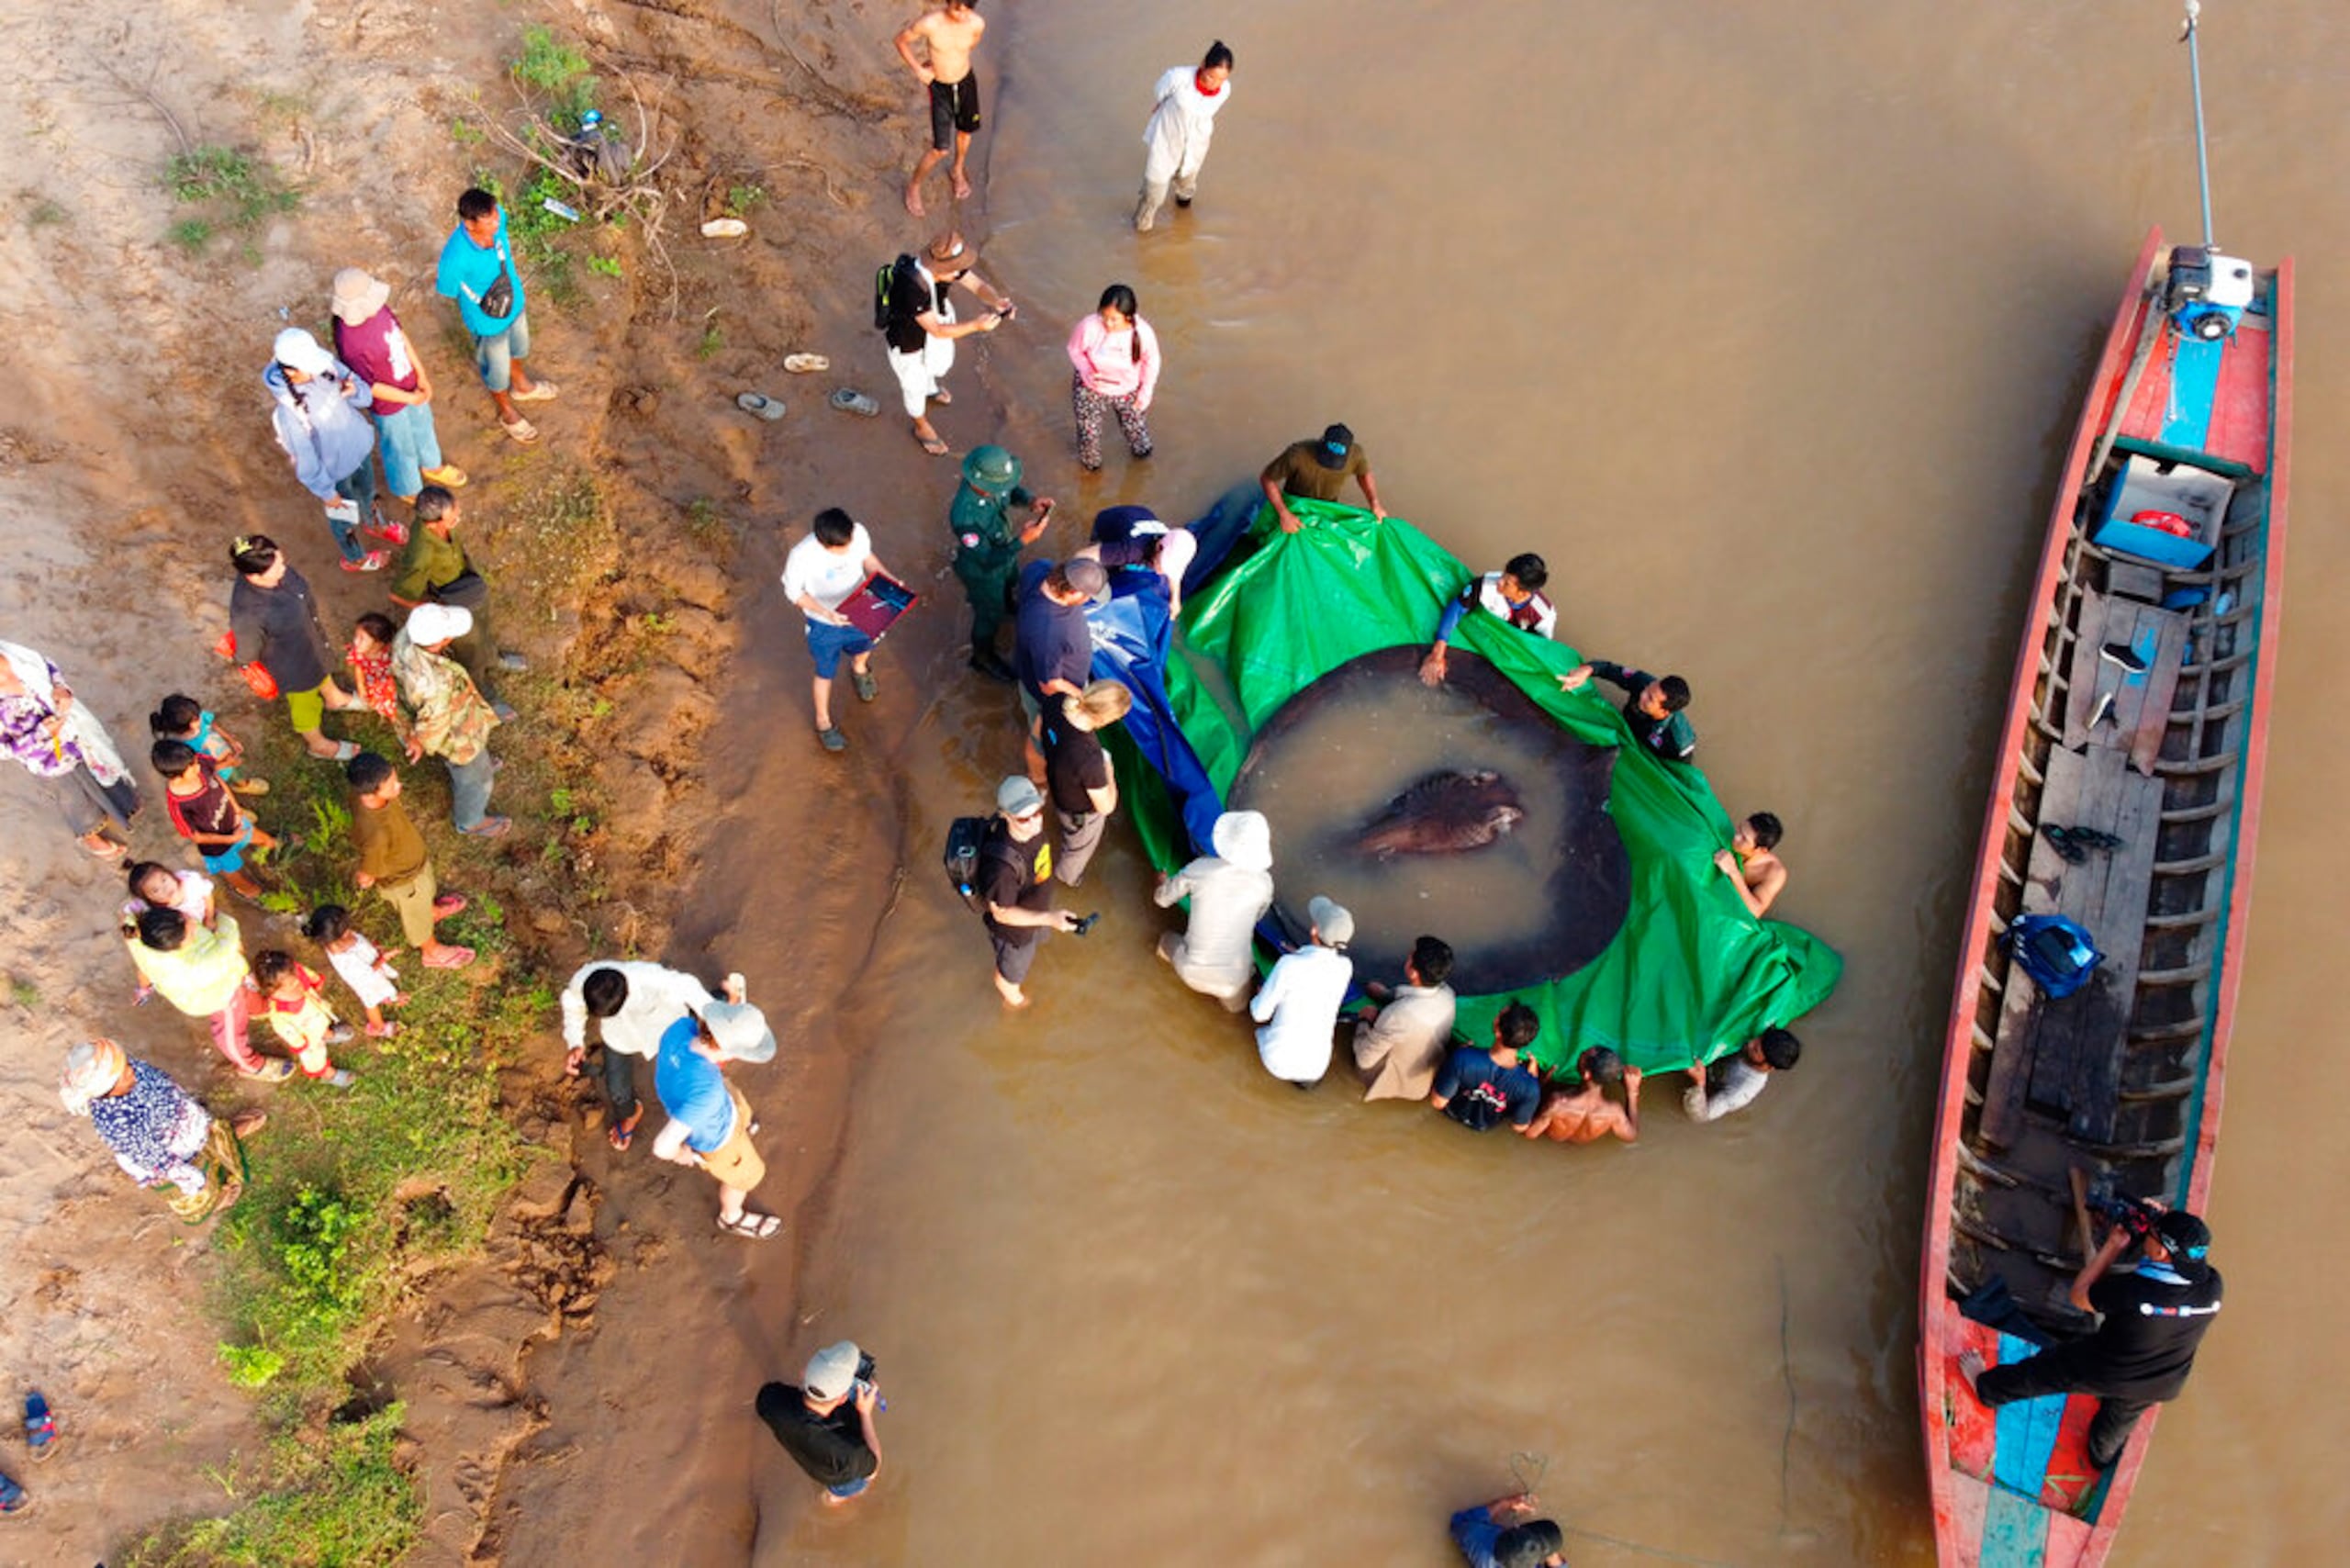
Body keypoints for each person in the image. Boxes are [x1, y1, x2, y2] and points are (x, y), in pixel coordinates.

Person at [1958, 1207, 2223, 1470]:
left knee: (2047, 1370)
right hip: (2163, 1381)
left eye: (2152, 1234)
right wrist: (2163, 1221)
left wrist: (2113, 1246)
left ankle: (1987, 1389)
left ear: (2162, 1251)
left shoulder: (2132, 1291)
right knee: (2116, 1424)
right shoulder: (2213, 1288)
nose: (2148, 1237)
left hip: (2108, 1369)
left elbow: (2080, 1296)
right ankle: (2100, 1457)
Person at [60, 1038, 267, 1223]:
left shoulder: (127, 1071)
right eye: (122, 1071)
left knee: (208, 1136)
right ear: (106, 1089)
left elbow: (161, 1082)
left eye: (124, 1062)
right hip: (173, 1150)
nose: (130, 1068)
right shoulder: (119, 1124)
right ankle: (216, 1198)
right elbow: (158, 1160)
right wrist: (191, 1179)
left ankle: (224, 1138)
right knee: (200, 1181)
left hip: (179, 1118)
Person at [329, 266, 467, 502]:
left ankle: (431, 466)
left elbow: (401, 338)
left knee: (424, 425)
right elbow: (370, 386)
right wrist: (409, 398)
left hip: (410, 383)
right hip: (387, 404)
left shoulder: (380, 310)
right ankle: (408, 488)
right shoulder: (350, 341)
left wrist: (421, 376)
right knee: (399, 445)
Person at [264, 327, 393, 572]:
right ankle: (355, 557)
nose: (316, 371)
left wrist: (353, 392)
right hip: (334, 474)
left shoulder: (326, 366)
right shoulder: (288, 414)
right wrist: (327, 492)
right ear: (290, 372)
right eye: (308, 368)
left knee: (368, 491)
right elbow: (306, 458)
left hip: (359, 449)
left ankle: (374, 522)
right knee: (342, 517)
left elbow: (364, 396)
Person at [435, 187, 558, 442]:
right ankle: (507, 411)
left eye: (495, 214)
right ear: (469, 224)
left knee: (519, 348)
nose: (496, 222)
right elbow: (448, 290)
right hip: (487, 321)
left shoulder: (498, 216)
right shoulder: (454, 257)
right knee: (497, 369)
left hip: (514, 304)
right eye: (488, 220)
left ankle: (522, 386)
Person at [389, 487, 525, 714]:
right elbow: (399, 594)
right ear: (433, 523)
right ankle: (483, 689)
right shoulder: (421, 555)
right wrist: (430, 608)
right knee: (470, 649)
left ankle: (493, 657)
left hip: (467, 582)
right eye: (453, 516)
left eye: (457, 510)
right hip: (451, 597)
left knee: (482, 625)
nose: (458, 517)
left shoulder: (440, 527)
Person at [0, 640, 140, 860]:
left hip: (78, 733)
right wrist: (41, 735)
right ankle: (90, 837)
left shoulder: (9, 652)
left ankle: (121, 804)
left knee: (99, 770)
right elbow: (4, 750)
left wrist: (61, 688)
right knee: (73, 797)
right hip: (47, 759)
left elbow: (46, 664)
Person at [651, 1005, 781, 1238]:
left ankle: (743, 1127)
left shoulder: (680, 1028)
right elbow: (661, 1147)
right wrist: (680, 1153)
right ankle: (731, 1217)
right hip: (717, 1138)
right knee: (747, 1175)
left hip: (702, 1102)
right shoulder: (706, 1093)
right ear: (730, 1053)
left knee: (738, 1106)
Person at [560, 960, 719, 1151]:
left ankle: (724, 1005)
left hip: (669, 1031)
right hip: (619, 1039)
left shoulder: (649, 977)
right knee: (617, 1090)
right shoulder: (582, 981)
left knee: (689, 1077)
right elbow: (572, 1006)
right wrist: (575, 1042)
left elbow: (686, 985)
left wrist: (714, 1022)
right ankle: (631, 1113)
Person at [122, 905, 292, 1081]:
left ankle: (257, 1008)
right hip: (217, 997)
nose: (194, 924)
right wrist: (219, 918)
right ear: (179, 946)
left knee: (242, 992)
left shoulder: (138, 936)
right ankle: (251, 1065)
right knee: (230, 1031)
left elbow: (128, 922)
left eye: (186, 917)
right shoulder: (199, 965)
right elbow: (229, 935)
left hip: (220, 982)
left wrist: (144, 989)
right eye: (190, 929)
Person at [229, 534, 362, 761]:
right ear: (254, 577)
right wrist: (244, 663)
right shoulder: (248, 612)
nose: (283, 568)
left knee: (319, 664)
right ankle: (317, 744)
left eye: (281, 560)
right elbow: (247, 651)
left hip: (309, 642)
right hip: (292, 665)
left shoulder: (277, 573)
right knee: (305, 703)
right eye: (277, 567)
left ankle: (334, 697)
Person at [878, 236, 1009, 457]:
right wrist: (977, 325)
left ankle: (931, 388)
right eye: (955, 271)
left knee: (935, 365)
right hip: (908, 343)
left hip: (932, 322)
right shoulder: (912, 286)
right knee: (913, 385)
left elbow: (977, 286)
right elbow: (936, 330)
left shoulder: (945, 266)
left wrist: (997, 301)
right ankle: (921, 426)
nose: (958, 274)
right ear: (939, 268)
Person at [345, 750, 475, 969]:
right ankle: (431, 951)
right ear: (372, 792)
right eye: (392, 784)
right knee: (415, 916)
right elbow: (369, 870)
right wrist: (366, 876)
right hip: (404, 881)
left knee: (426, 891)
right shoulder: (376, 834)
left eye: (395, 778)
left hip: (415, 864)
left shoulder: (370, 797)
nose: (399, 785)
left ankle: (430, 912)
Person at [781, 507, 896, 753]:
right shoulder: (801, 556)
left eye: (849, 542)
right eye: (840, 549)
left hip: (861, 608)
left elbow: (869, 559)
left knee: (868, 643)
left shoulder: (858, 533)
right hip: (824, 623)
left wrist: (888, 579)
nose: (847, 550)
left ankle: (859, 669)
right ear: (823, 543)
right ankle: (823, 721)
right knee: (824, 671)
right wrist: (826, 613)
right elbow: (795, 594)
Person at [390, 603, 509, 836]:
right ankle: (470, 820)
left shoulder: (404, 638)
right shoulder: (437, 685)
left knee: (473, 763)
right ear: (441, 642)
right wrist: (419, 742)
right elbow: (433, 730)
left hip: (426, 713)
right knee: (475, 775)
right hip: (457, 735)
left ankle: (476, 767)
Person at [978, 776, 1085, 1008]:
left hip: (1037, 911)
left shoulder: (1032, 832)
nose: (1035, 823)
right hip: (1015, 935)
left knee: (1038, 942)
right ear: (1005, 816)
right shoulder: (1001, 870)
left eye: (1037, 812)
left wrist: (1049, 918)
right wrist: (1048, 918)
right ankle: (1014, 1006)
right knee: (1009, 980)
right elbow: (1001, 914)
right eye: (1024, 818)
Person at [950, 444, 1055, 681]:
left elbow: (1010, 490)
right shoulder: (965, 516)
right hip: (982, 569)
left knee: (1010, 582)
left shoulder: (993, 484)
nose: (1002, 488)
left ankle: (1009, 605)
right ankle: (982, 657)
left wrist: (1031, 501)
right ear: (982, 484)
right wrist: (1023, 541)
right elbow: (986, 559)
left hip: (1004, 552)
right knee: (988, 615)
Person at [1153, 809, 1275, 1013]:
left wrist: (1161, 883)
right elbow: (1258, 917)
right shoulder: (1264, 884)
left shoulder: (1200, 869)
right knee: (1235, 1010)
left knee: (1165, 941)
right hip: (1232, 982)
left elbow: (1162, 900)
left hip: (1190, 971)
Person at [1014, 557, 1108, 778]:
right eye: (1087, 596)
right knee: (1042, 738)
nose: (1087, 601)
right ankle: (1038, 776)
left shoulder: (1040, 568)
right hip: (1048, 696)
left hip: (1030, 658)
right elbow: (1049, 684)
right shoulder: (1049, 631)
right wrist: (1083, 696)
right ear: (1073, 592)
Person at [151, 739, 278, 902]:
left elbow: (216, 777)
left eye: (195, 761)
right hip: (218, 847)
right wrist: (231, 839)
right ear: (175, 776)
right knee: (234, 873)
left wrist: (237, 809)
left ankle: (275, 854)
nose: (198, 766)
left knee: (266, 840)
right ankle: (252, 893)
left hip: (235, 822)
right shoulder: (178, 804)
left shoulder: (198, 764)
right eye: (192, 767)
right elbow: (196, 836)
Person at [757, 1341, 883, 1505]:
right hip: (840, 1476)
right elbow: (873, 1469)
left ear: (804, 1374)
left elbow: (780, 1401)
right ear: (842, 1399)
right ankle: (836, 1499)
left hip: (806, 1455)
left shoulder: (769, 1399)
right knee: (847, 1489)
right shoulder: (850, 1456)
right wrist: (865, 1413)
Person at [894, 0, 988, 217]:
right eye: (957, 9)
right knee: (940, 149)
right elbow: (900, 41)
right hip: (940, 89)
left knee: (965, 133)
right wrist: (919, 69)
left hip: (966, 83)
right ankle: (914, 186)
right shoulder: (930, 24)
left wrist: (942, 60)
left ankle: (957, 170)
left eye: (967, 10)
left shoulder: (977, 24)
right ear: (948, 2)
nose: (962, 15)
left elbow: (967, 47)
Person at [1249, 895, 1353, 1087]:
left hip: (1276, 1062)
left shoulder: (1289, 964)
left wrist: (1260, 992)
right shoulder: (1346, 967)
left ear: (1314, 930)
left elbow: (1259, 1014)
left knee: (1260, 1000)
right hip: (1317, 1067)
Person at [1134, 41, 1236, 232]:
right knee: (1154, 193)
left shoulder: (1225, 90)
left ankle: (1183, 219)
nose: (1215, 83)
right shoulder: (1178, 77)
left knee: (1187, 184)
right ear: (1204, 64)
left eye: (1221, 79)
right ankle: (1141, 230)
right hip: (1167, 138)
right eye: (1211, 76)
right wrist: (1162, 105)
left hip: (1197, 142)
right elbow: (1160, 92)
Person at [1039, 680, 1131, 888]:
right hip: (1079, 814)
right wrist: (1109, 768)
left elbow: (1039, 732)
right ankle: (1067, 878)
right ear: (1103, 718)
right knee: (1077, 850)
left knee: (1066, 828)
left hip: (1058, 787)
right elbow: (1106, 807)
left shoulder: (1056, 701)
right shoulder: (1090, 759)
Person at [1419, 554, 1558, 687]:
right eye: (1503, 575)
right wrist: (1437, 654)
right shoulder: (1487, 584)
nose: (1499, 581)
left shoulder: (1543, 616)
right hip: (1483, 638)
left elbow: (1541, 649)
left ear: (1523, 593)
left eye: (1507, 583)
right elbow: (1457, 609)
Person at [1350, 935, 1458, 1103]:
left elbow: (1364, 1059)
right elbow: (1416, 1002)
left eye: (1410, 955)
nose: (1407, 957)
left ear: (1413, 972)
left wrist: (1365, 1021)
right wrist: (1387, 995)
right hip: (1425, 1078)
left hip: (1394, 1083)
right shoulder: (1448, 994)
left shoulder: (1398, 1015)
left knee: (1362, 1049)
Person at [1066, 285, 1160, 472]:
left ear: (1128, 316)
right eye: (1104, 316)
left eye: (1114, 320)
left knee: (1136, 432)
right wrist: (1086, 370)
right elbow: (1074, 350)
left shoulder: (1142, 333)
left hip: (1127, 390)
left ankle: (1144, 465)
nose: (1108, 324)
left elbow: (1152, 361)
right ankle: (1092, 473)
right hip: (1091, 387)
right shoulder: (1088, 326)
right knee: (1088, 436)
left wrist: (1145, 392)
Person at [1429, 1003, 1546, 1132]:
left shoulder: (1463, 1058)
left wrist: (1455, 1057)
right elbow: (1518, 1127)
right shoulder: (1530, 1087)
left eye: (1498, 1016)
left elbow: (1438, 1103)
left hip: (1450, 1115)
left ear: (1498, 1031)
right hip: (1484, 1128)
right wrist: (1532, 1079)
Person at [252, 949, 357, 1088]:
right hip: (308, 1038)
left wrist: (315, 980)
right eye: (290, 986)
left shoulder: (293, 972)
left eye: (296, 976)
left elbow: (305, 972)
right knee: (316, 1057)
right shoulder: (280, 1013)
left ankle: (327, 1034)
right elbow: (288, 1033)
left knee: (322, 1022)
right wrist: (302, 1044)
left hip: (315, 1014)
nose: (298, 984)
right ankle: (327, 1073)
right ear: (272, 991)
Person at [1558, 660, 1695, 763]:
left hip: (1646, 752)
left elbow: (1679, 769)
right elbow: (1608, 669)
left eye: (1650, 698)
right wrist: (1585, 671)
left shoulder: (1679, 741)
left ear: (1665, 712)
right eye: (1648, 688)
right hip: (1627, 725)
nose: (1642, 694)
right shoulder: (1644, 683)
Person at [1259, 423, 1386, 533]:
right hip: (1295, 505)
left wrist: (1374, 502)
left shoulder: (1356, 455)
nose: (1330, 465)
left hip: (1327, 507)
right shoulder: (1297, 454)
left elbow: (1364, 474)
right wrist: (1284, 514)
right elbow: (1267, 478)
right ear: (1321, 442)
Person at [306, 903, 406, 1038]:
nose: (350, 930)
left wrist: (373, 949)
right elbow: (368, 973)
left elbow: (361, 945)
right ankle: (378, 1027)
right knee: (370, 1001)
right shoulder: (344, 958)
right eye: (346, 929)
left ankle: (385, 996)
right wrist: (383, 958)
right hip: (364, 980)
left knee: (380, 986)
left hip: (371, 968)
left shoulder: (342, 937)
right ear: (334, 937)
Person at [150, 693, 267, 798]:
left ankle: (243, 785)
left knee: (235, 774)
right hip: (215, 775)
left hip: (227, 761)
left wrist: (230, 740)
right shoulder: (182, 748)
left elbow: (213, 725)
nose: (200, 719)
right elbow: (201, 769)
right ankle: (237, 810)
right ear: (186, 726)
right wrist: (227, 763)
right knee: (222, 793)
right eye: (196, 720)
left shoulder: (199, 717)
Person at [1523, 1046, 1642, 1145]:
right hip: (1580, 1146)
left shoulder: (1558, 1102)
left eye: (1583, 1055)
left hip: (1551, 1141)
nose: (1580, 1054)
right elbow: (1631, 1136)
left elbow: (1530, 1133)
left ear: (1586, 1074)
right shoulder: (1613, 1112)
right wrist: (1632, 1093)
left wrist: (1541, 1083)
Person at [1682, 1027, 1801, 1124]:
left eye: (1755, 1049)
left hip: (1710, 1078)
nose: (1750, 1043)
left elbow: (1701, 1116)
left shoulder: (1741, 1091)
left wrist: (1699, 1083)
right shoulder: (1759, 1031)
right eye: (1758, 1038)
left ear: (1769, 1066)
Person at [346, 611, 414, 750]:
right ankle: (394, 718)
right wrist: (361, 686)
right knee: (382, 703)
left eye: (361, 638)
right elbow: (358, 667)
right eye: (356, 636)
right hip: (374, 684)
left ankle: (403, 726)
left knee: (397, 706)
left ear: (378, 643)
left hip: (389, 683)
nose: (355, 641)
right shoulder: (358, 652)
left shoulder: (389, 653)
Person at [1449, 1490, 1567, 1568]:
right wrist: (1551, 1551)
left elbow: (1458, 1522)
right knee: (1553, 1539)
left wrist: (1506, 1503)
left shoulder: (1474, 1535)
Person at [1715, 812, 1788, 917]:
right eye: (1739, 828)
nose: (1736, 837)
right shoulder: (1727, 837)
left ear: (1761, 850)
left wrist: (1733, 872)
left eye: (1744, 839)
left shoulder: (1774, 872)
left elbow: (1755, 911)